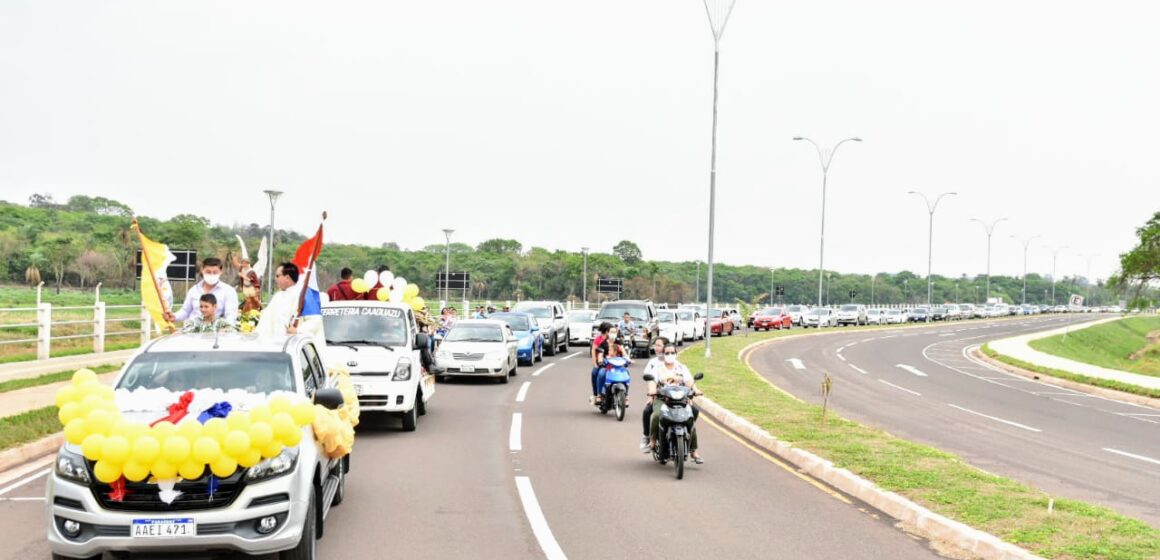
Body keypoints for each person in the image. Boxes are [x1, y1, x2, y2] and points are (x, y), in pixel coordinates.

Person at [646, 341, 702, 463]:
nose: (670, 354)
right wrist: (652, 391)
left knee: (690, 417)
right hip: (663, 400)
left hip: (681, 400)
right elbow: (652, 382)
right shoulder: (657, 368)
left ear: (676, 353)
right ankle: (653, 440)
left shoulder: (682, 367)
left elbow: (689, 382)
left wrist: (696, 390)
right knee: (656, 415)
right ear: (663, 354)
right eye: (667, 353)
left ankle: (693, 450)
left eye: (672, 352)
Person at [254, 262, 324, 346]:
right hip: (275, 347)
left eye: (277, 276)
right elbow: (266, 320)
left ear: (287, 277)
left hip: (294, 347)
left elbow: (315, 320)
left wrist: (298, 330)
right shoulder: (278, 296)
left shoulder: (304, 294)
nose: (275, 279)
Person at [165, 257, 239, 326]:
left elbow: (230, 315)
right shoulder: (194, 290)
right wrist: (174, 317)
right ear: (202, 270)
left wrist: (226, 328)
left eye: (215, 272)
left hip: (215, 332)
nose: (211, 274)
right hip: (191, 331)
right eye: (208, 272)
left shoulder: (228, 291)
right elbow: (185, 311)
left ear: (221, 271)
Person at [589, 322, 611, 404]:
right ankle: (596, 394)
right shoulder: (598, 340)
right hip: (601, 361)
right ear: (606, 331)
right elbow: (594, 351)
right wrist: (595, 363)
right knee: (595, 373)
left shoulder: (614, 339)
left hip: (612, 362)